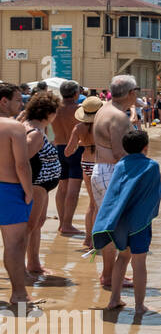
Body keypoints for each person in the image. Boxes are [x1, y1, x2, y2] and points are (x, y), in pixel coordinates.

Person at [93, 127, 161, 312]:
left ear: (124, 147)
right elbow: (155, 194)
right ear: (146, 147)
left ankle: (114, 299)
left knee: (122, 258)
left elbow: (114, 194)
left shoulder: (120, 165)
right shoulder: (152, 166)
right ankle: (139, 306)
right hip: (140, 223)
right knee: (139, 262)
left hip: (121, 222)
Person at [92, 75, 139, 291]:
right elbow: (120, 153)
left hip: (101, 170)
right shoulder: (118, 117)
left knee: (109, 227)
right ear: (130, 93)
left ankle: (109, 274)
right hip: (113, 172)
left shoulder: (104, 109)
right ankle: (110, 276)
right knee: (120, 228)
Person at [0, 83, 34, 306]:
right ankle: (19, 294)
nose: (21, 105)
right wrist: (29, 191)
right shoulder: (14, 127)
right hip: (9, 190)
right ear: (3, 101)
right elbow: (22, 165)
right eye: (17, 100)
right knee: (13, 244)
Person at [21, 91, 62, 278]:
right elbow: (21, 161)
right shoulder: (34, 133)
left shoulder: (36, 128)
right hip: (36, 185)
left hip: (42, 186)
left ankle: (34, 263)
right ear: (48, 112)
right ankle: (20, 268)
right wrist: (28, 188)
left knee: (37, 223)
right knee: (29, 226)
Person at [65, 97, 102, 251]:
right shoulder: (102, 126)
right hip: (100, 163)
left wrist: (83, 143)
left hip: (86, 163)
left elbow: (68, 152)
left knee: (91, 204)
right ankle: (95, 240)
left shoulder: (78, 127)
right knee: (99, 205)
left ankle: (87, 239)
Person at [52, 80, 85, 236]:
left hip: (59, 148)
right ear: (76, 94)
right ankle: (67, 224)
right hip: (76, 149)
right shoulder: (79, 109)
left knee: (62, 187)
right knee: (74, 188)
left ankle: (61, 223)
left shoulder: (55, 109)